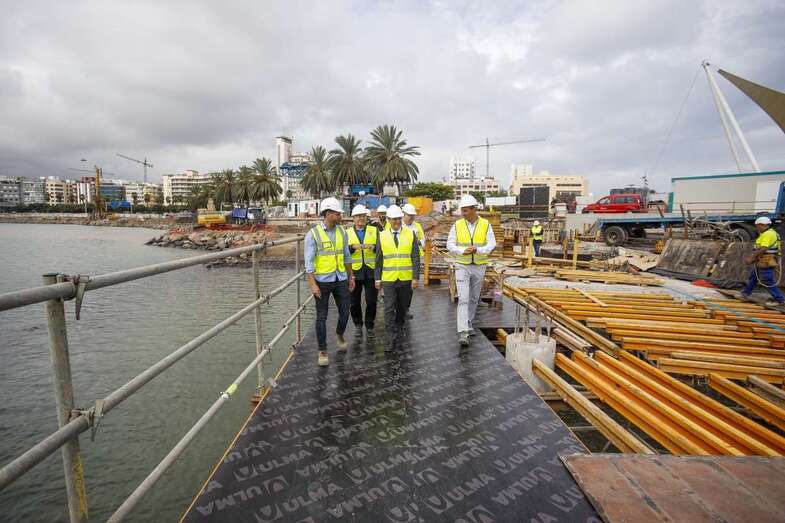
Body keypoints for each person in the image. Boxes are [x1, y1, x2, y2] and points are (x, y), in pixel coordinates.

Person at [305, 197, 355, 366]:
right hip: (322, 281)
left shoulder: (342, 232)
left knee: (345, 312)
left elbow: (347, 256)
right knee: (321, 317)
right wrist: (312, 284)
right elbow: (309, 262)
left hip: (340, 278)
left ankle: (339, 333)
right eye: (337, 213)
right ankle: (322, 350)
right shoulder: (313, 234)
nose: (340, 215)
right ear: (327, 214)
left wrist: (351, 276)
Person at [447, 194, 496, 347]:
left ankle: (468, 322)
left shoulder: (486, 224)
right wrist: (462, 251)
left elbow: (492, 244)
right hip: (462, 265)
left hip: (479, 265)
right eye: (462, 210)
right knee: (463, 298)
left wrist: (479, 250)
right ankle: (463, 332)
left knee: (474, 298)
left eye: (465, 210)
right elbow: (450, 244)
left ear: (474, 209)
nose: (462, 213)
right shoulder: (457, 225)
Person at [375, 205, 420, 350]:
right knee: (389, 308)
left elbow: (415, 257)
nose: (397, 222)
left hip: (405, 278)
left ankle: (399, 330)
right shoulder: (382, 235)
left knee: (402, 308)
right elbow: (378, 259)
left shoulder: (410, 234)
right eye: (394, 219)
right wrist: (377, 278)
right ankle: (390, 337)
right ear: (388, 219)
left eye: (399, 219)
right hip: (388, 279)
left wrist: (415, 277)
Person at [346, 204, 378, 336]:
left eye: (363, 216)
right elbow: (343, 252)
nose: (361, 218)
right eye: (358, 216)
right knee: (354, 302)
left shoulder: (374, 230)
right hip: (354, 272)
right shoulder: (347, 233)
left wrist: (374, 247)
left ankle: (369, 325)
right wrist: (352, 247)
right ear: (353, 218)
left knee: (371, 300)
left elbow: (381, 248)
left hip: (371, 271)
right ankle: (358, 324)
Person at [742, 216, 784, 303]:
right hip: (763, 259)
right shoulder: (769, 233)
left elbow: (763, 248)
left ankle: (780, 299)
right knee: (754, 277)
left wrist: (752, 258)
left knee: (767, 279)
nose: (756, 228)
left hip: (766, 260)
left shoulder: (768, 234)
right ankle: (745, 293)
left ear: (762, 225)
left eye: (757, 226)